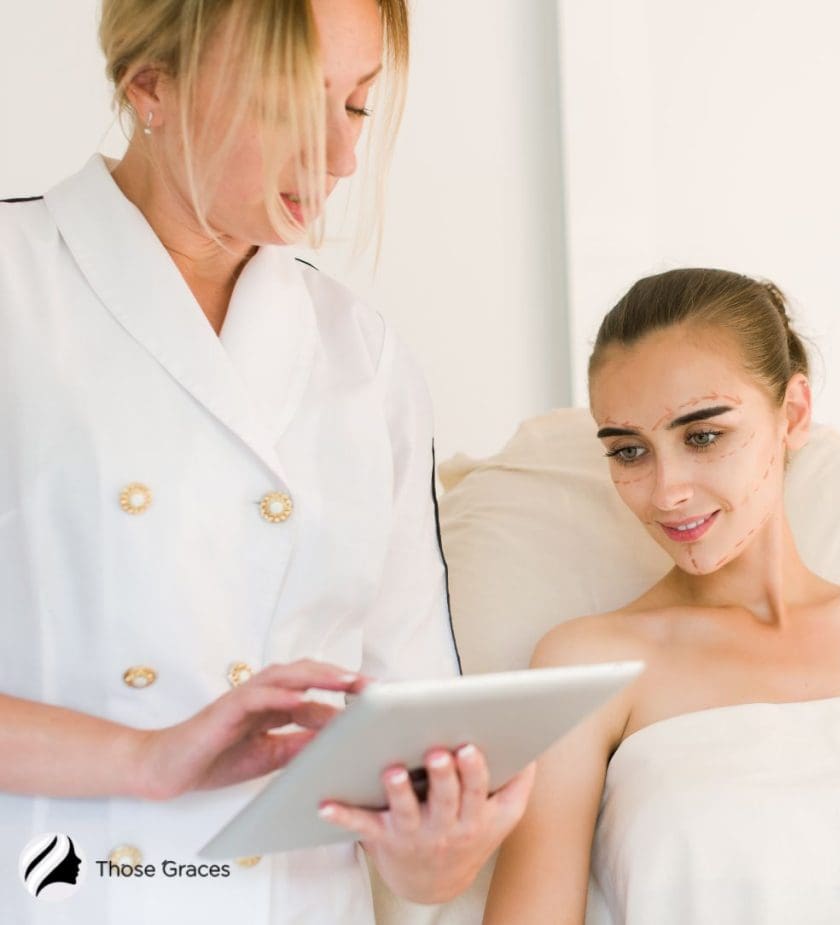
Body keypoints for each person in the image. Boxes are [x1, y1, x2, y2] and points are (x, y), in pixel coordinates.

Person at [0, 1, 533, 922]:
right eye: (290, 105)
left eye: (358, 106)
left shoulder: (362, 359)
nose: (338, 158)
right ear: (150, 85)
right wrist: (144, 758)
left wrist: (435, 849)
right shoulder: (17, 294)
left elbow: (410, 747)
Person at [484, 268, 840, 924]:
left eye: (703, 436)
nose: (666, 491)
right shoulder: (585, 663)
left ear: (793, 414)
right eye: (630, 452)